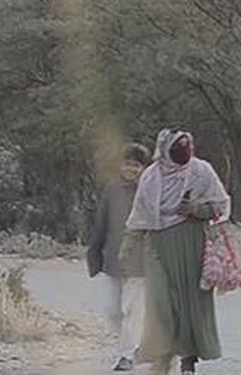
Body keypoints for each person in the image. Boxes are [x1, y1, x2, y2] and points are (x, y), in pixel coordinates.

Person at [123, 128, 230, 375]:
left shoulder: (201, 172)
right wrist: (128, 249)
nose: (185, 152)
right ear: (165, 150)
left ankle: (188, 359)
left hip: (192, 244)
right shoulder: (150, 177)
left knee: (191, 304)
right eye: (178, 147)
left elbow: (219, 206)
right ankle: (160, 354)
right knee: (160, 302)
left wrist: (196, 209)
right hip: (158, 246)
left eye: (188, 146)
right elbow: (139, 217)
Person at [88, 143, 151, 372]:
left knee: (132, 310)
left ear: (144, 168)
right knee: (113, 310)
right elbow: (101, 224)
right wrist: (94, 253)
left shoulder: (150, 191)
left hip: (141, 261)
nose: (131, 169)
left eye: (136, 165)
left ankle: (126, 355)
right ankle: (135, 345)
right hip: (114, 258)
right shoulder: (111, 190)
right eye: (127, 164)